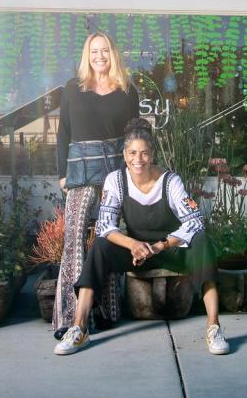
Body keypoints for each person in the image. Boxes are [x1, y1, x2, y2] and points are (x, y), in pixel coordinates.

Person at [54, 117, 229, 356]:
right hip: (137, 252)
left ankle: (214, 327)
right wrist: (133, 244)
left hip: (170, 250)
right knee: (100, 246)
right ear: (124, 155)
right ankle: (79, 328)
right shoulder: (115, 180)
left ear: (152, 154)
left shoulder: (170, 181)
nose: (139, 160)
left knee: (201, 242)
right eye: (133, 153)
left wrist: (160, 246)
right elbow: (106, 225)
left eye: (144, 153)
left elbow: (194, 220)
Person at [53, 31, 140, 339]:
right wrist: (62, 173)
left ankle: (106, 312)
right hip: (80, 170)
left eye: (104, 50)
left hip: (114, 172)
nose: (99, 56)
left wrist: (134, 174)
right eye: (94, 51)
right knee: (74, 238)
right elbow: (63, 132)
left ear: (112, 54)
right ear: (86, 55)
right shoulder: (72, 89)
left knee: (107, 238)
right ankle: (69, 318)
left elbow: (135, 135)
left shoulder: (127, 90)